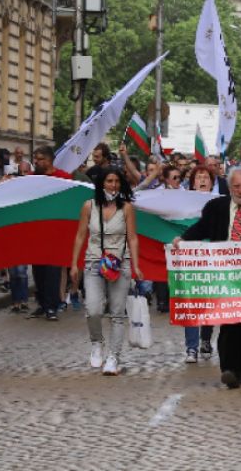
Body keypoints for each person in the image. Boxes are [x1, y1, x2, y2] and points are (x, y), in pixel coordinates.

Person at [174, 167, 241, 388]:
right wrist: (183, 238)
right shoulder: (216, 207)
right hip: (223, 273)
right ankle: (227, 368)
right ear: (230, 186)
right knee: (227, 320)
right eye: (237, 186)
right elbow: (201, 228)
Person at [68, 168, 142, 376]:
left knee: (117, 313)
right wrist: (74, 264)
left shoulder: (126, 208)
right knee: (93, 309)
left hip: (120, 264)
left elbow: (132, 238)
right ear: (102, 183)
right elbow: (80, 236)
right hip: (93, 262)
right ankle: (96, 342)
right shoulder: (89, 207)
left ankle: (113, 357)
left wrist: (136, 265)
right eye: (109, 181)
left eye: (117, 181)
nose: (113, 185)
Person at [180, 165, 218, 362]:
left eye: (206, 177)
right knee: (191, 303)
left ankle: (205, 338)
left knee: (209, 303)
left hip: (213, 260)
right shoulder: (180, 203)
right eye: (198, 177)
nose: (202, 180)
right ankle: (191, 348)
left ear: (212, 183)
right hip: (190, 261)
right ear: (192, 182)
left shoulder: (219, 203)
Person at [31, 145, 72, 321]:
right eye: (35, 158)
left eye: (39, 159)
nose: (36, 162)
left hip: (56, 232)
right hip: (37, 232)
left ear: (48, 160)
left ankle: (52, 306)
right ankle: (42, 303)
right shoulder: (31, 179)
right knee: (38, 270)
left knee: (53, 271)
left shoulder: (64, 178)